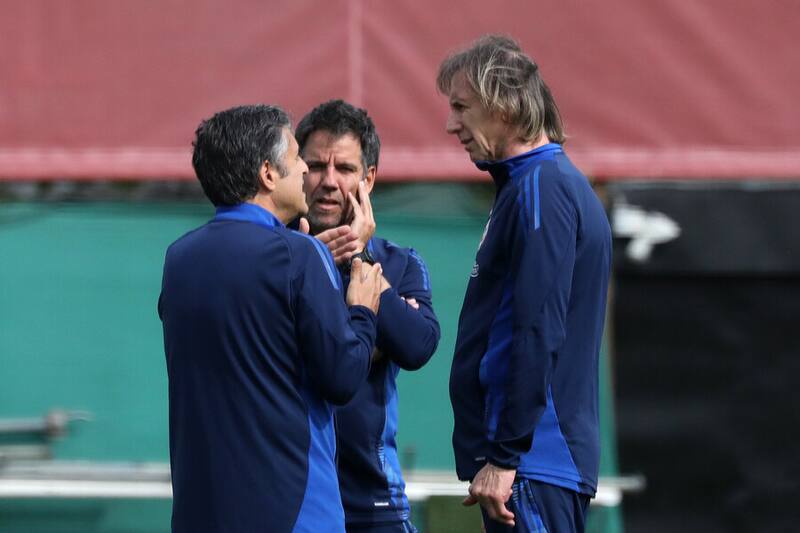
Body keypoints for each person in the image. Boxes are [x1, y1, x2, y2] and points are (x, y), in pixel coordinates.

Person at [158, 104, 384, 533]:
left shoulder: (179, 258)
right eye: (299, 157)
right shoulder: (300, 254)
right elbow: (342, 376)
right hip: (294, 511)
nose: (306, 171)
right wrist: (362, 310)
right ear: (267, 173)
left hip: (200, 512)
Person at [438, 35, 612, 532]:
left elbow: (539, 327)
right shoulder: (533, 185)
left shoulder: (543, 187)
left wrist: (507, 455)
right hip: (531, 465)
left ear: (504, 105)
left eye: (461, 107)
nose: (451, 125)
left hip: (531, 465)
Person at [294, 99, 441, 533]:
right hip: (291, 499)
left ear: (368, 179)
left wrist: (357, 259)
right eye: (316, 165)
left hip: (373, 503)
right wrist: (365, 330)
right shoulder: (274, 258)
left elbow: (417, 345)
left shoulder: (398, 263)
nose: (328, 182)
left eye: (345, 169)